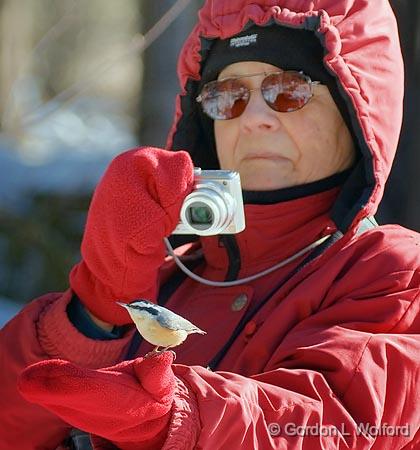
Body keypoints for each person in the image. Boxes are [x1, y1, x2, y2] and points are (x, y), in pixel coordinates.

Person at [1, 0, 419, 449]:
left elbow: (340, 423)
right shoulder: (171, 273)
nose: (255, 119)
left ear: (353, 110)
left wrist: (180, 418)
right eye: (229, 96)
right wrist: (94, 311)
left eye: (288, 90)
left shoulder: (395, 274)